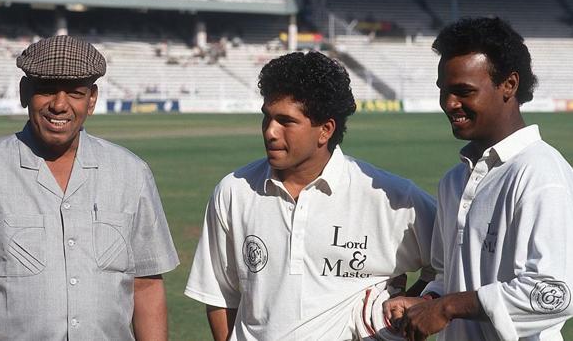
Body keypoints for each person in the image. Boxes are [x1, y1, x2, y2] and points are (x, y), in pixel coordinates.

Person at [184, 51, 437, 340]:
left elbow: (452, 261)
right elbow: (219, 294)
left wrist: (418, 302)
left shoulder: (391, 197)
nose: (270, 132)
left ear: (325, 130)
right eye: (266, 118)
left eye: (286, 121)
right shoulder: (233, 191)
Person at [0, 35, 179, 340]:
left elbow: (146, 284)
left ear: (91, 100)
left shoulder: (131, 173)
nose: (59, 105)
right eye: (46, 91)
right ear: (24, 93)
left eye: (75, 93)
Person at [384, 17, 573, 341]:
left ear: (509, 85)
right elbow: (449, 277)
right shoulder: (454, 181)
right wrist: (428, 301)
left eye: (464, 92)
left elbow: (554, 295)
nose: (449, 104)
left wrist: (447, 308)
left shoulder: (540, 173)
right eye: (444, 92)